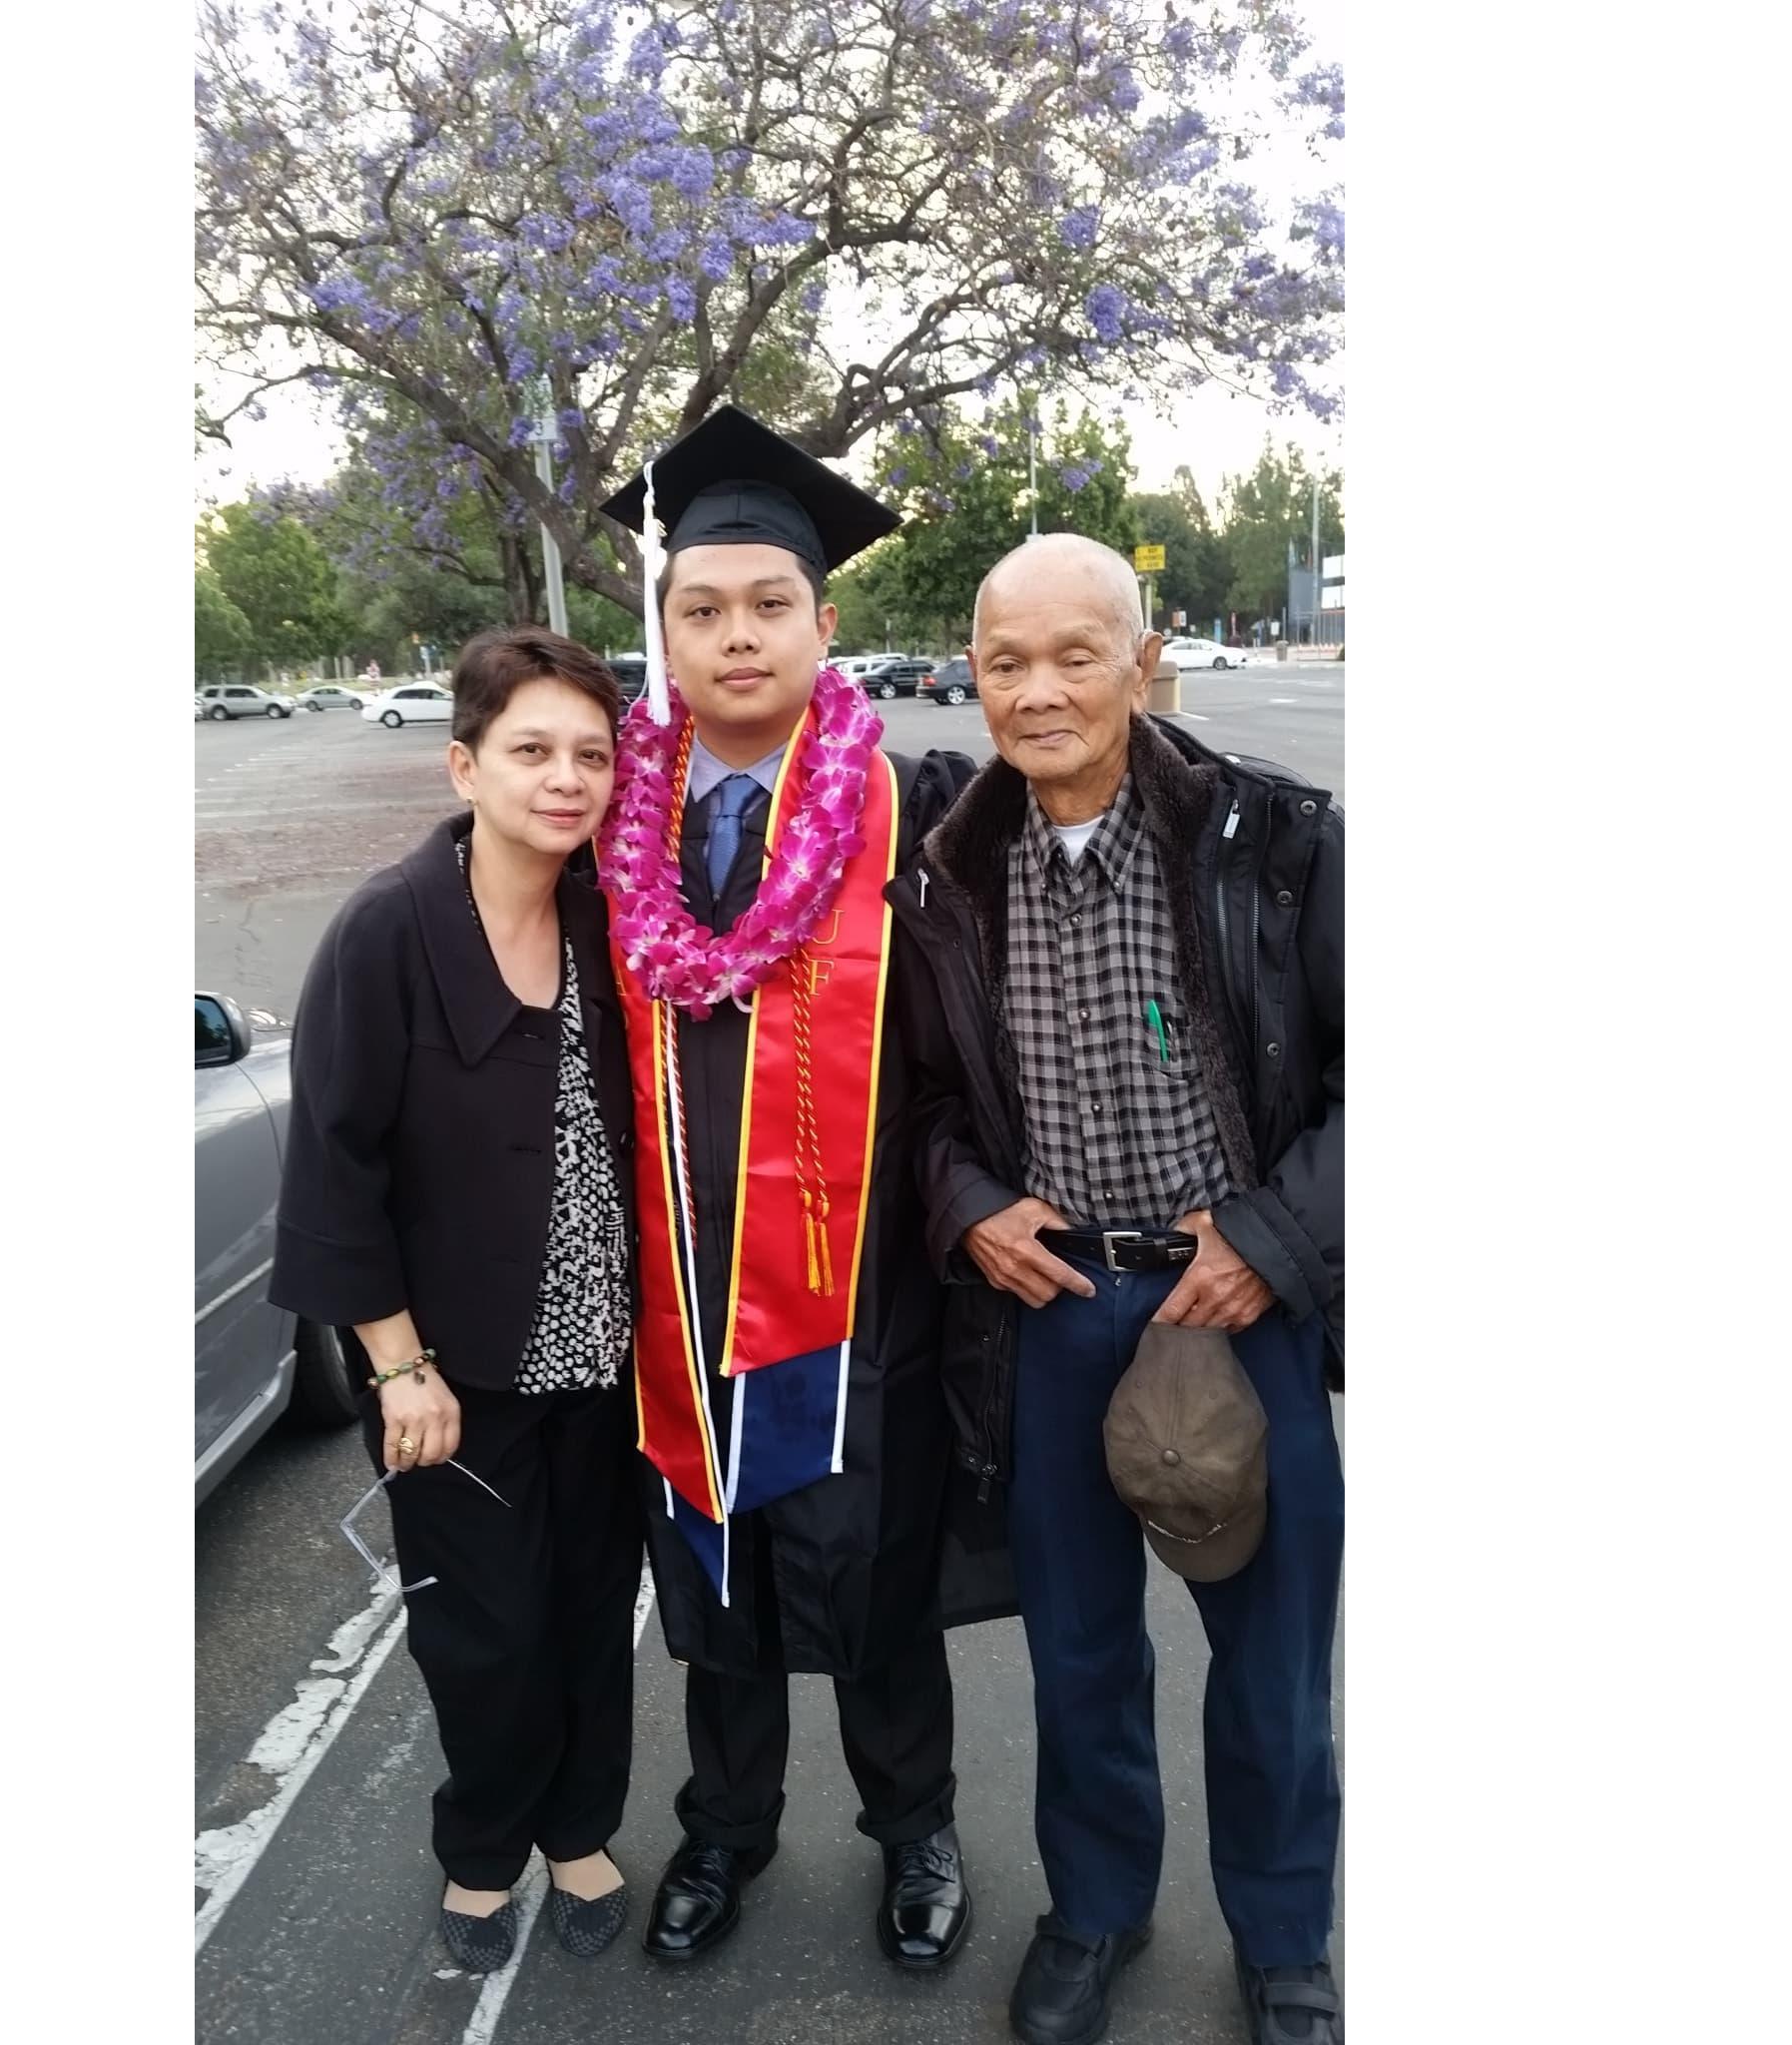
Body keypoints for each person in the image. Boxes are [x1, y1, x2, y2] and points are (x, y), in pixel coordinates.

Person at [890, 534, 1345, 2045]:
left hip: (1240, 1308)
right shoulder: (950, 875)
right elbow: (929, 1106)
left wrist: (1270, 1242)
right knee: (1081, 1652)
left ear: (1141, 660)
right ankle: (1095, 1908)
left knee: (1270, 1665)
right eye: (1005, 661)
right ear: (973, 674)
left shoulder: (1273, 846)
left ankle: (1283, 1936)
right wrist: (967, 1213)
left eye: (1074, 653)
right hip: (1055, 1315)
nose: (1038, 691)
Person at [591, 405, 981, 1969]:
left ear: (829, 622)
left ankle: (917, 1828)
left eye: (769, 605)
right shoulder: (599, 824)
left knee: (878, 1584)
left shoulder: (930, 814)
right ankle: (725, 1831)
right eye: (703, 608)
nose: (736, 634)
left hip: (859, 1294)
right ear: (666, 633)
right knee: (713, 1588)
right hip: (676, 1294)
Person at [268, 628, 643, 1973]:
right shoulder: (391, 930)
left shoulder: (614, 911)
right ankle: (484, 1845)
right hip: (458, 1372)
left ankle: (580, 1825)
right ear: (464, 763)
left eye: (590, 754)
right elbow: (335, 1157)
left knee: (596, 1609)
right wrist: (395, 1363)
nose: (565, 779)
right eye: (531, 751)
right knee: (484, 1635)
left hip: (608, 1359)